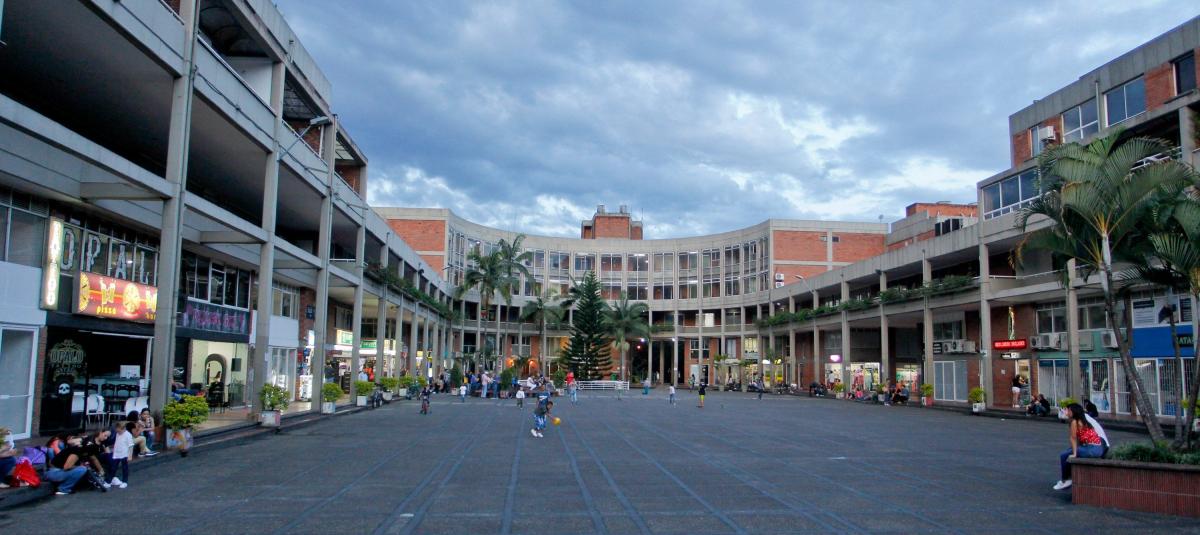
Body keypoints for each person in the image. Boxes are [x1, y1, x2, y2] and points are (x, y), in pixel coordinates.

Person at [1053, 403, 1107, 490]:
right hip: (1098, 448)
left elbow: (1073, 438)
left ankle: (1065, 480)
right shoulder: (1084, 421)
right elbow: (1080, 440)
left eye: (1068, 410)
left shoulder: (1074, 422)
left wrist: (1074, 453)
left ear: (1074, 412)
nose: (1066, 412)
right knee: (1068, 452)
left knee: (1064, 455)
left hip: (1091, 449)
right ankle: (1068, 478)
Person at [108, 422, 133, 489]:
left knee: (125, 468)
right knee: (113, 468)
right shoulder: (117, 434)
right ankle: (109, 481)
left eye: (119, 431)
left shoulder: (128, 435)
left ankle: (125, 481)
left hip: (124, 454)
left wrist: (130, 455)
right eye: (117, 431)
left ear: (124, 429)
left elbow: (131, 446)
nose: (118, 432)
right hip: (117, 454)